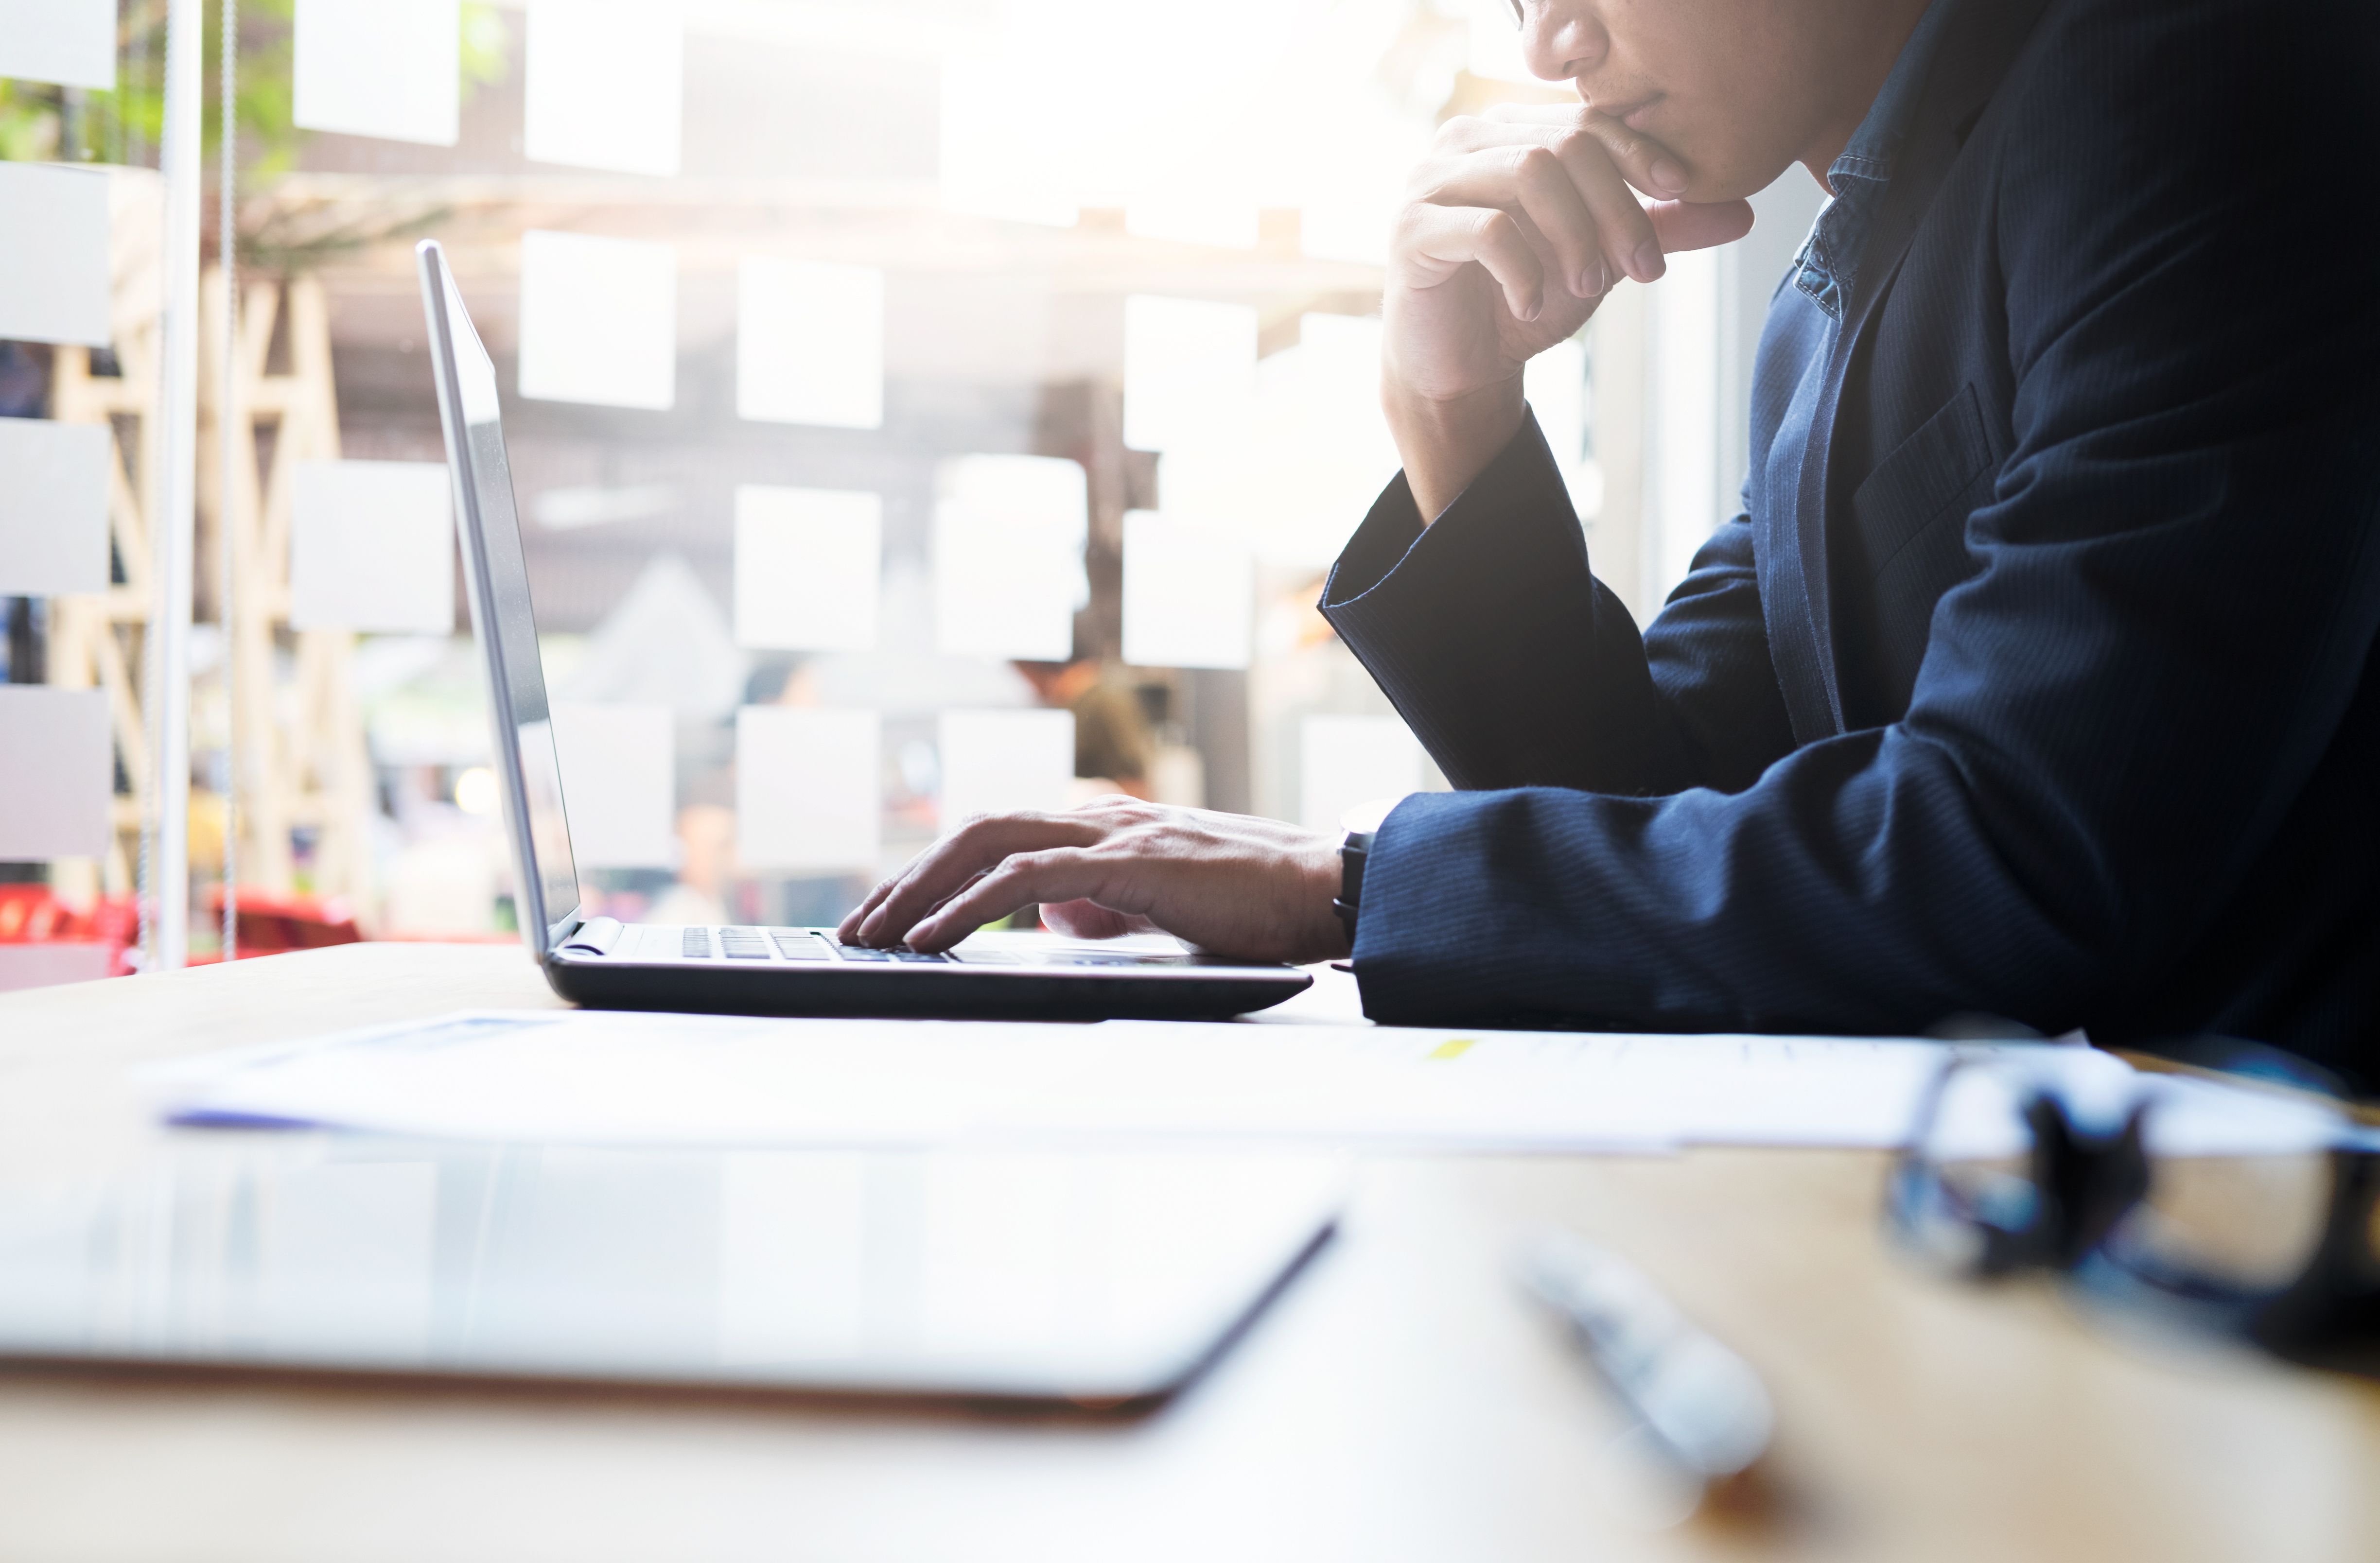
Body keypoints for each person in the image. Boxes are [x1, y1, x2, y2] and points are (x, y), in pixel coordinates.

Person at [842, 0, 2380, 1084]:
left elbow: (2016, 862)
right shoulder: (1829, 301)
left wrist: (1350, 885)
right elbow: (1657, 805)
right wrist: (1453, 408)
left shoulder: (2196, 82)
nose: (1546, 43)